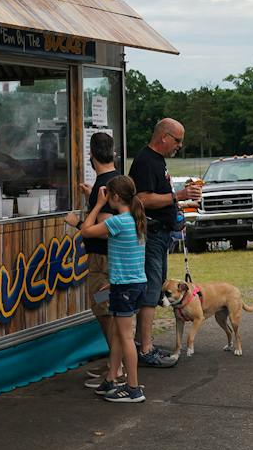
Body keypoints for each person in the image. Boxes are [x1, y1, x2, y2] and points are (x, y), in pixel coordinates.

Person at [127, 118, 201, 368]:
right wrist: (178, 195)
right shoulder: (146, 161)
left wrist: (176, 214)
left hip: (162, 234)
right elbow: (142, 200)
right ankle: (146, 350)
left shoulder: (158, 161)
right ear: (164, 137)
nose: (180, 145)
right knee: (150, 292)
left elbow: (162, 198)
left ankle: (141, 343)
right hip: (151, 236)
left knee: (155, 288)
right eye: (178, 140)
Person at [75, 175, 148, 403]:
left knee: (125, 337)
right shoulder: (137, 219)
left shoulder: (117, 221)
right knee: (117, 333)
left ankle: (134, 388)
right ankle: (111, 379)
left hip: (124, 287)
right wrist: (115, 283)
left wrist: (96, 204)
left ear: (115, 197)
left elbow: (86, 230)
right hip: (131, 284)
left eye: (108, 197)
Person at [72, 132, 118, 386]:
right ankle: (115, 364)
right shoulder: (115, 180)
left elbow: (110, 226)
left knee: (105, 312)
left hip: (103, 263)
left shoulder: (105, 186)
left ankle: (116, 368)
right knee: (110, 312)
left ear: (91, 155)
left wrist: (79, 222)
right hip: (109, 262)